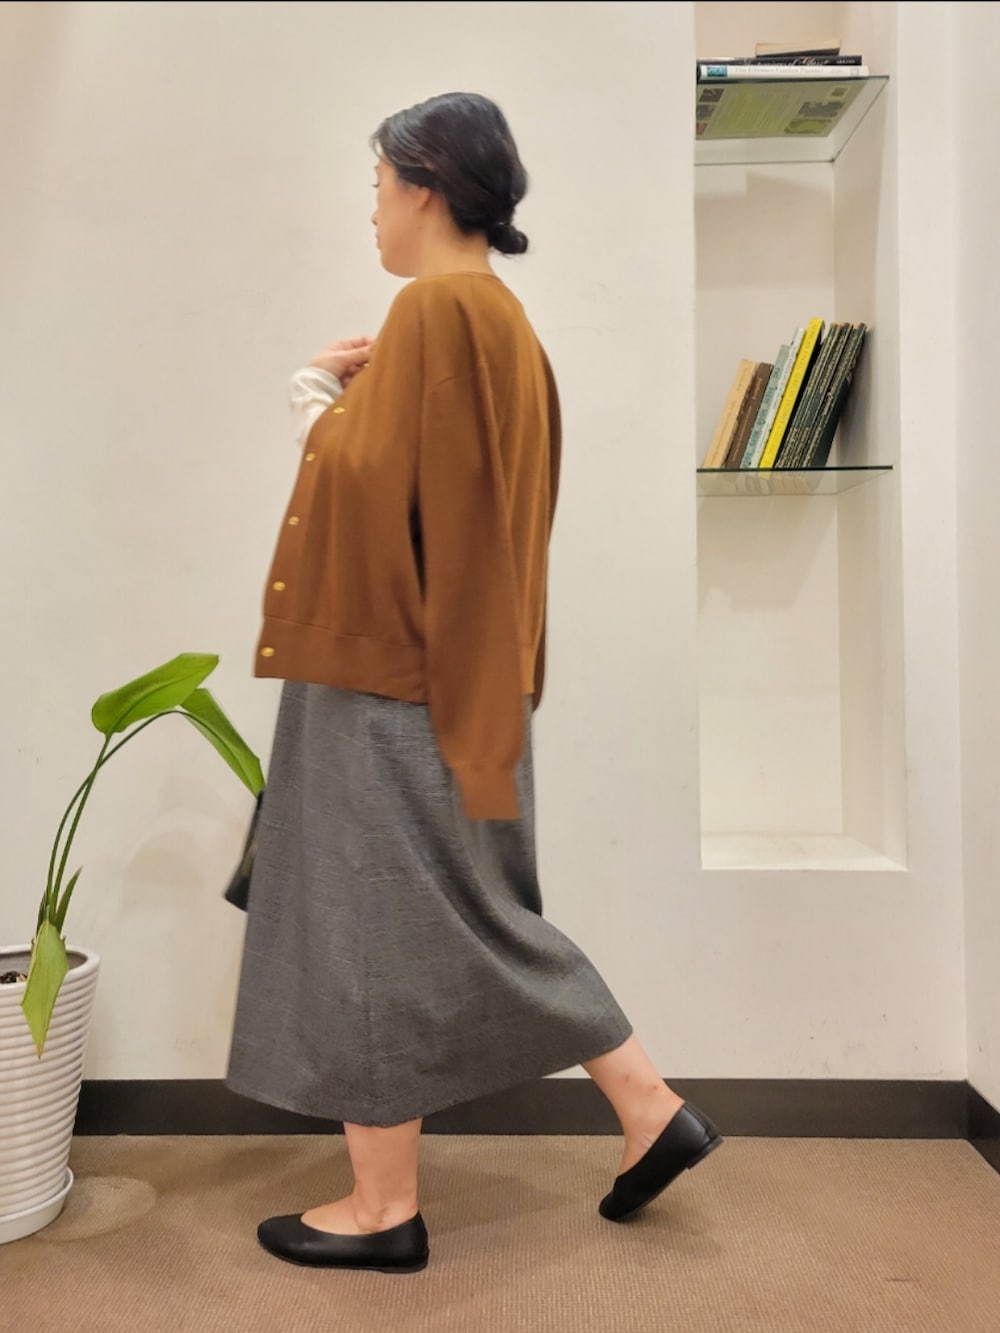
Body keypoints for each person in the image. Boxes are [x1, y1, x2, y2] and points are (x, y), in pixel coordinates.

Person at [226, 91, 721, 1275]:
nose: (372, 213)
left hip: (391, 680)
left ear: (426, 186)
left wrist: (311, 401)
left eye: (378, 189)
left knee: (368, 926)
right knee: (459, 914)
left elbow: (371, 499)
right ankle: (645, 1107)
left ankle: (382, 1207)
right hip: (456, 674)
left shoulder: (434, 311)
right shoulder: (502, 323)